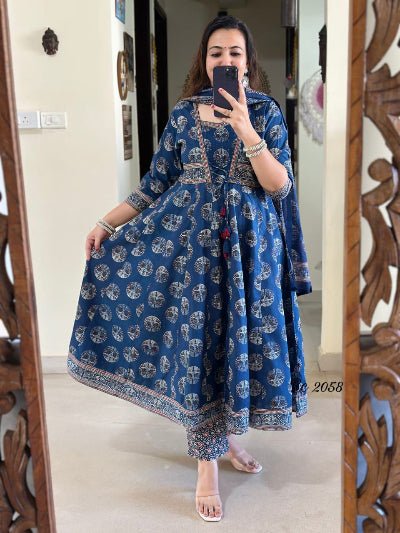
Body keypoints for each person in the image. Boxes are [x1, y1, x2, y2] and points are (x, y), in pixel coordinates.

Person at [67, 14, 312, 523]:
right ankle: (206, 466)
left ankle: (227, 440)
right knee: (200, 350)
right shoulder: (182, 116)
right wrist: (105, 224)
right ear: (204, 60)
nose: (225, 60)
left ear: (248, 62)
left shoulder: (265, 112)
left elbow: (280, 186)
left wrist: (246, 129)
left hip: (250, 258)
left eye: (235, 53)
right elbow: (155, 184)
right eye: (216, 52)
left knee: (238, 348)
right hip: (192, 259)